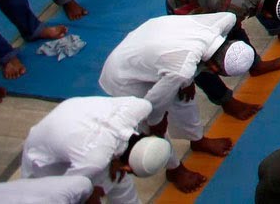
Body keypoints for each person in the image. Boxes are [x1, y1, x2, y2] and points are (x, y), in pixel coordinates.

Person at [96, 13, 257, 188]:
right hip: (125, 73)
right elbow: (150, 105)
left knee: (184, 97)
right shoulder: (182, 70)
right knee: (150, 127)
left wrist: (186, 80)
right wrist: (155, 122)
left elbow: (185, 67)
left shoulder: (225, 21)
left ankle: (197, 140)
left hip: (159, 49)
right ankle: (174, 168)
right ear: (213, 67)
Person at [18, 95, 173, 204]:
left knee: (117, 179)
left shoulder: (141, 107)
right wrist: (89, 195)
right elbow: (65, 187)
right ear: (127, 166)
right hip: (45, 156)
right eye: (128, 170)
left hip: (72, 118)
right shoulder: (94, 160)